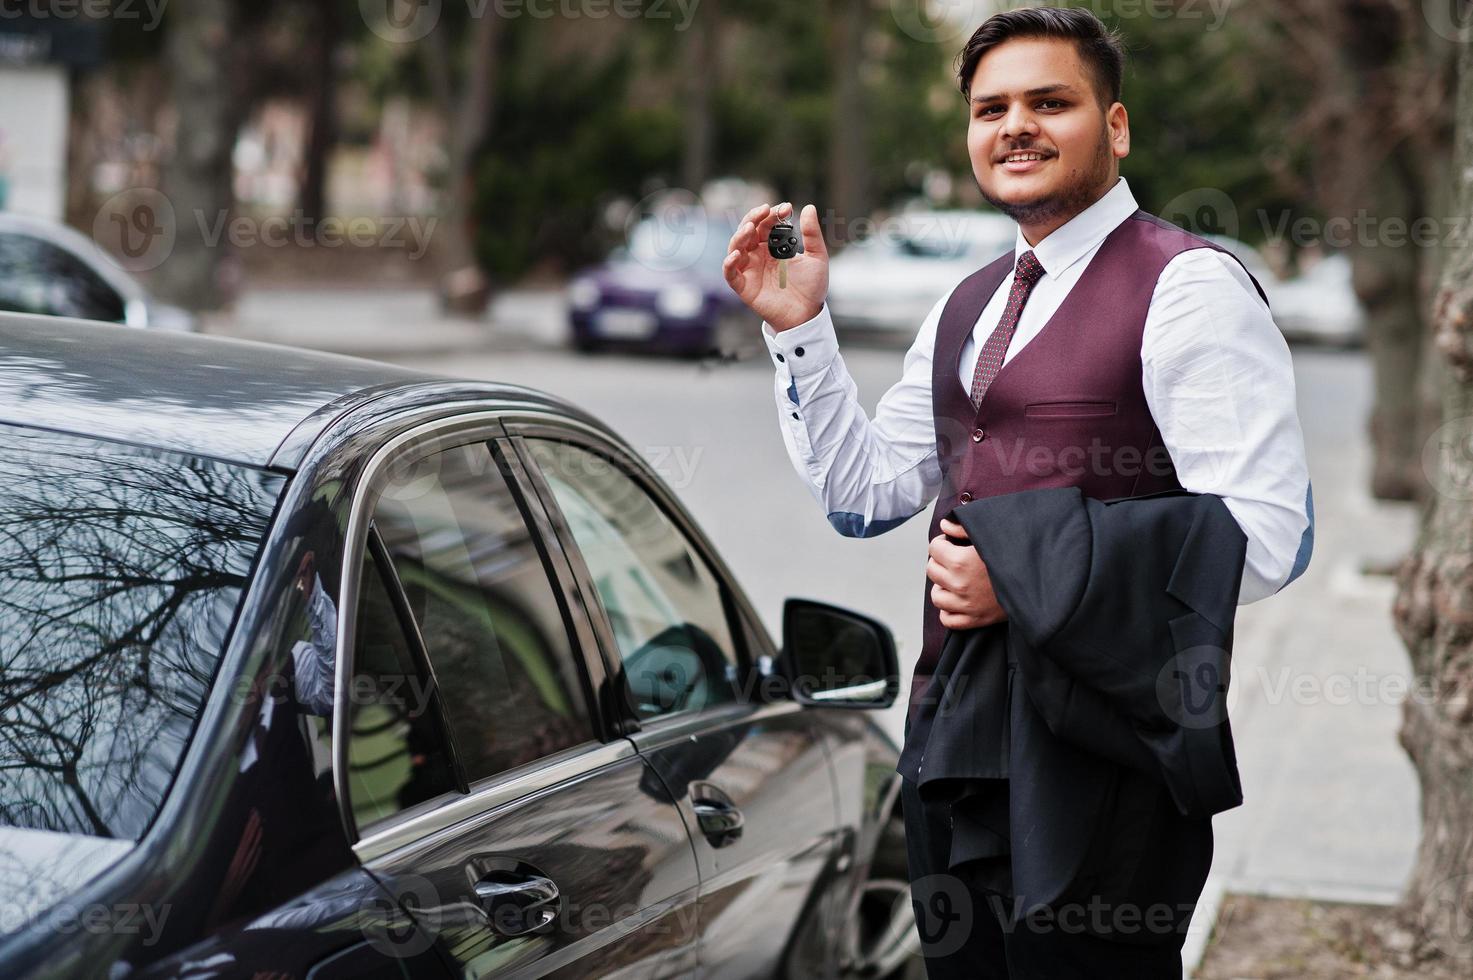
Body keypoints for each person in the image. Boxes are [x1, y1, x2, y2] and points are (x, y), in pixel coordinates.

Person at [721, 7, 1312, 978]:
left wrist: (1028, 572)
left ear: (1114, 128)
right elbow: (864, 493)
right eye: (991, 107)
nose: (1015, 126)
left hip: (1104, 771)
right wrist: (799, 330)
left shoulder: (1188, 288)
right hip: (955, 749)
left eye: (1050, 101)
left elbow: (1267, 536)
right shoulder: (970, 300)